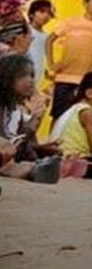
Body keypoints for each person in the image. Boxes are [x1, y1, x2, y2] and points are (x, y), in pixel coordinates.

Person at [0, 55, 61, 183]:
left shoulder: (15, 110)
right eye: (23, 76)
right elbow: (6, 142)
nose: (30, 81)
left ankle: (31, 169)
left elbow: (20, 143)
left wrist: (41, 147)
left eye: (32, 76)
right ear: (7, 78)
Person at [26, 0, 55, 81]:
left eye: (49, 13)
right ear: (31, 14)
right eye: (42, 11)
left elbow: (42, 57)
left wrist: (46, 71)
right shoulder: (25, 30)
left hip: (37, 75)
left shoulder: (46, 37)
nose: (46, 15)